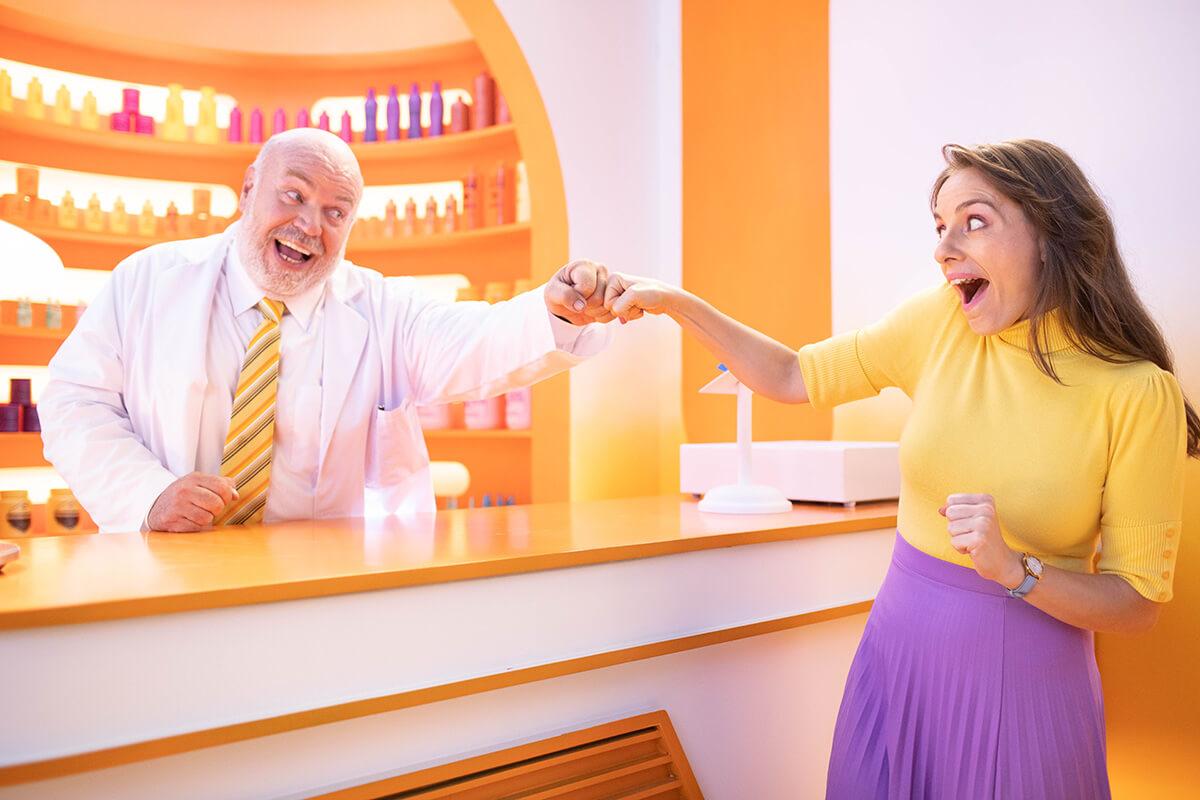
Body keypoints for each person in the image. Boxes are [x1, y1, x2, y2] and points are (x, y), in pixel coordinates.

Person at [602, 139, 1195, 798]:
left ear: (1050, 234)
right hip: (898, 661)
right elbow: (792, 374)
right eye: (939, 228)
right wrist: (673, 303)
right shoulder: (941, 322)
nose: (944, 248)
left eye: (974, 221)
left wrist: (1015, 571)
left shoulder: (1137, 393)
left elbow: (1136, 604)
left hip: (1025, 688)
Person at [40, 128, 617, 533]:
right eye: (293, 196)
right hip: (167, 565)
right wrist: (146, 495)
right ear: (248, 190)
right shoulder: (148, 280)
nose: (309, 226)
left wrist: (557, 310)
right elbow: (74, 401)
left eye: (336, 212)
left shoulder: (379, 308)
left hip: (317, 583)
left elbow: (472, 339)